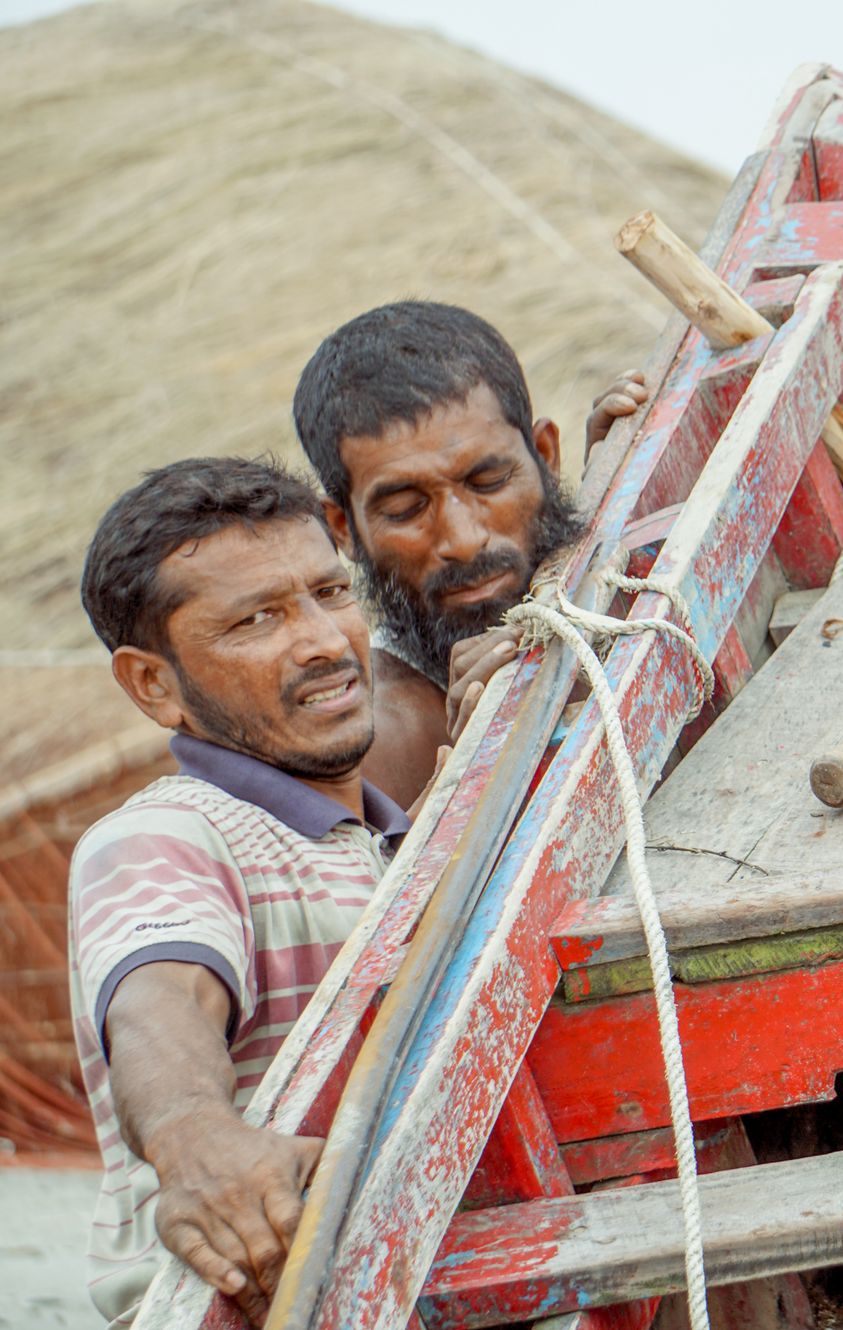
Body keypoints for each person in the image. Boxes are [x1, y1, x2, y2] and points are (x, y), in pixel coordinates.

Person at [69, 457, 411, 1324]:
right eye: (257, 620)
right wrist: (195, 1135)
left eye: (330, 594)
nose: (326, 642)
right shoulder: (167, 836)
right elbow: (157, 998)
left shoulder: (400, 834)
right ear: (155, 684)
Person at [292, 302, 648, 807]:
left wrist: (620, 497)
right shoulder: (381, 739)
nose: (462, 541)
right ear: (344, 530)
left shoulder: (619, 560)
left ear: (545, 458)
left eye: (489, 482)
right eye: (405, 509)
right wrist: (466, 771)